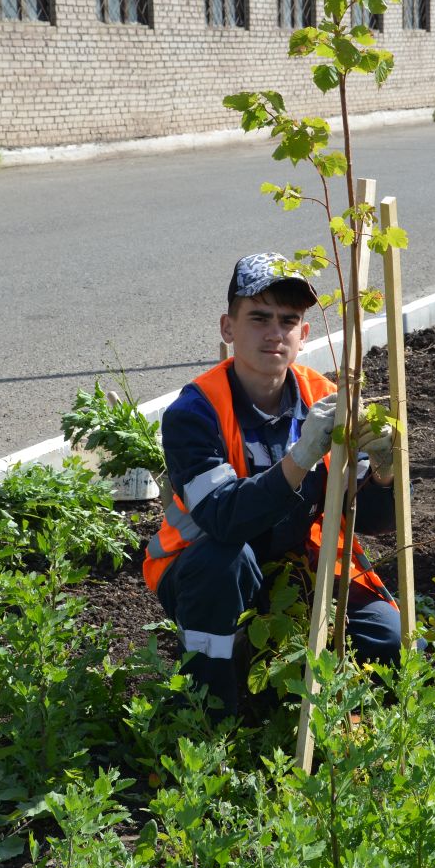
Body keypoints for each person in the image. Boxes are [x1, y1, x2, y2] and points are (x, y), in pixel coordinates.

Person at [144, 252, 401, 719]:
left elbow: (378, 520)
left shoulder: (323, 396)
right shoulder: (194, 413)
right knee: (223, 563)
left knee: (388, 638)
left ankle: (286, 674)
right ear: (228, 328)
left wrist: (383, 469)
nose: (273, 333)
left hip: (298, 561)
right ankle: (209, 709)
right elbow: (223, 518)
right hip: (209, 566)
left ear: (303, 335)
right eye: (258, 317)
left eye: (288, 320)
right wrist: (301, 457)